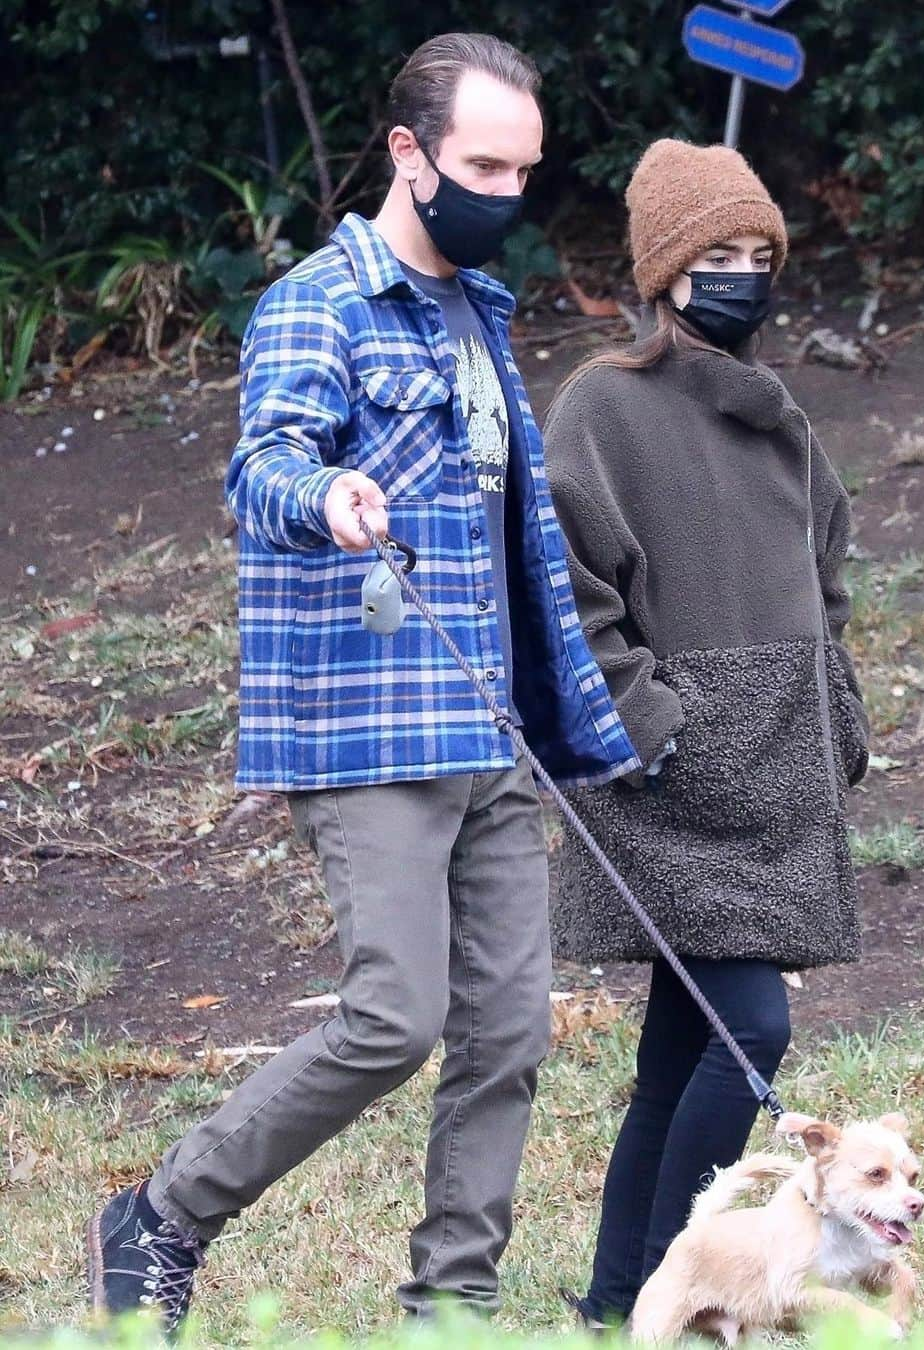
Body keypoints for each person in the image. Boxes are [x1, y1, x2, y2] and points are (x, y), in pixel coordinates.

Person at [86, 33, 638, 1336]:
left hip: (490, 721)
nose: (506, 190)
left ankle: (452, 1305)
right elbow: (258, 468)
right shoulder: (315, 305)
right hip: (368, 724)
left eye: (525, 168)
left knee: (508, 1033)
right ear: (408, 152)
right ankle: (164, 1209)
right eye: (482, 164)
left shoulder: (482, 315)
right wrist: (324, 491)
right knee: (395, 1015)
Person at [543, 139, 870, 1329]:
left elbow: (824, 568)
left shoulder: (775, 415)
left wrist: (829, 705)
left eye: (759, 254)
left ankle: (616, 1302)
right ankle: (685, 1290)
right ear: (664, 273)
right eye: (715, 256)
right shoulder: (602, 406)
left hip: (774, 776)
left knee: (678, 1056)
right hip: (666, 782)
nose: (742, 274)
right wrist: (650, 717)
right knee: (751, 1028)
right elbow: (561, 586)